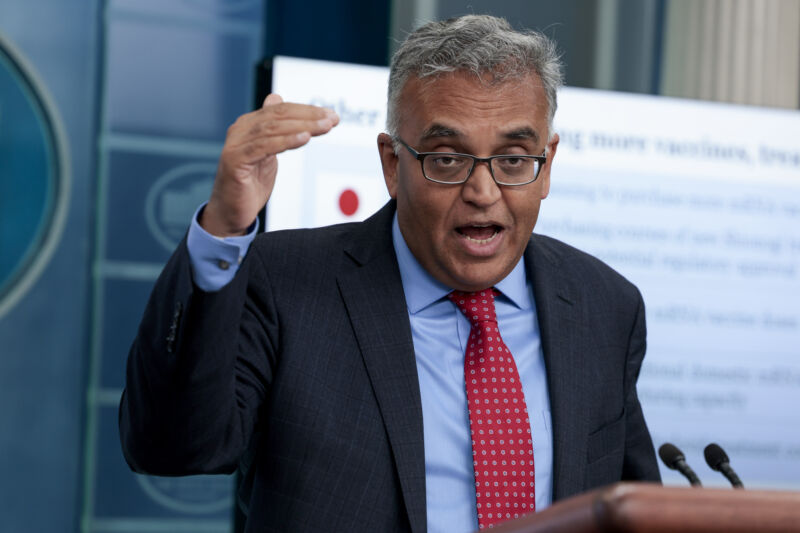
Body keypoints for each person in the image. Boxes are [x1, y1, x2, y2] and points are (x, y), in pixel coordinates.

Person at [120, 14, 660, 532]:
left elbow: (637, 506)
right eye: (447, 159)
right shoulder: (286, 282)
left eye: (514, 160)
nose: (483, 191)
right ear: (391, 164)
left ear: (548, 165)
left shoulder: (603, 305)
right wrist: (225, 225)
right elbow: (171, 446)